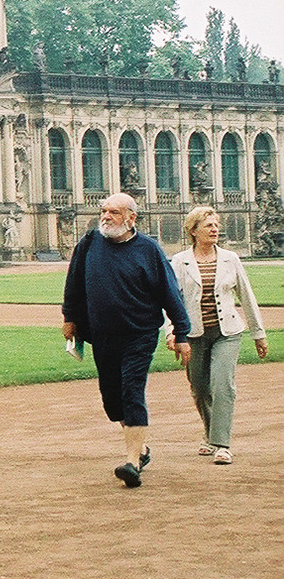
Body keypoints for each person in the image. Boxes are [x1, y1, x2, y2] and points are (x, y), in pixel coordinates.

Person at [62, 193, 192, 488]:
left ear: (131, 218)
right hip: (102, 335)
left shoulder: (148, 250)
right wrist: (70, 317)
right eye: (104, 211)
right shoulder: (90, 243)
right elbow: (74, 283)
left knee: (132, 391)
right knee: (113, 400)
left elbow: (170, 293)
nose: (106, 216)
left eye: (114, 212)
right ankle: (141, 448)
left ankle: (132, 462)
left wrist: (181, 332)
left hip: (139, 334)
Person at [170, 206, 267, 464]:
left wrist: (258, 334)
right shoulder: (179, 261)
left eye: (216, 225)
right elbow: (171, 301)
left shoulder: (230, 259)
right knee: (200, 388)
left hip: (227, 333)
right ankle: (211, 433)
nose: (215, 230)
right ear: (193, 231)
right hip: (193, 335)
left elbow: (246, 296)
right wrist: (173, 333)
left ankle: (222, 444)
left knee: (223, 385)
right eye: (208, 226)